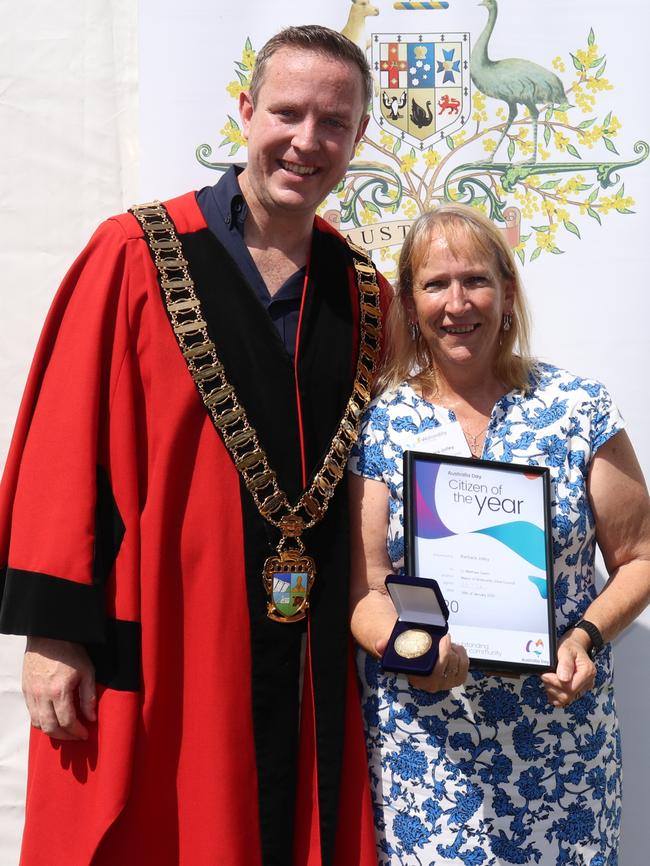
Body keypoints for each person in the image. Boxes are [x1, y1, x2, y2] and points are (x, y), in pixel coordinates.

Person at [0, 25, 390, 866]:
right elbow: (64, 448)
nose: (306, 140)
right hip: (168, 627)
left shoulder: (365, 294)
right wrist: (53, 633)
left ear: (358, 138)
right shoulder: (135, 254)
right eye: (287, 112)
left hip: (312, 645)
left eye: (334, 122)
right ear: (246, 112)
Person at [348, 204, 650, 864]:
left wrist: (586, 637)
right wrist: (410, 647)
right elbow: (366, 591)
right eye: (435, 284)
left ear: (507, 294)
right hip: (426, 756)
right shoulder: (380, 422)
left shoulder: (578, 408)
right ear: (411, 301)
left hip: (563, 750)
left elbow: (640, 559)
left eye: (475, 280)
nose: (458, 303)